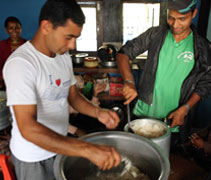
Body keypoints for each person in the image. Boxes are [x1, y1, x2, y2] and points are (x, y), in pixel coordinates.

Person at [3, 0, 121, 180]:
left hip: (61, 146)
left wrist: (98, 113)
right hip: (34, 158)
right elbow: (27, 127)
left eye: (76, 38)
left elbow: (73, 96)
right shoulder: (21, 64)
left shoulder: (62, 56)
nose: (73, 45)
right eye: (68, 37)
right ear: (46, 26)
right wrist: (87, 149)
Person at [117, 0, 211, 143]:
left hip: (174, 123)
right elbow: (124, 53)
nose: (175, 24)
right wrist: (129, 81)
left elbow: (206, 83)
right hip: (141, 117)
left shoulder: (202, 47)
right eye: (171, 17)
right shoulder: (155, 34)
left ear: (194, 14)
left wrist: (186, 108)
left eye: (182, 19)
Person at [0, 16, 26, 90]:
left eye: (17, 28)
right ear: (6, 30)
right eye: (11, 28)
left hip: (23, 82)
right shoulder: (2, 45)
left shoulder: (27, 45)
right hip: (5, 83)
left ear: (21, 28)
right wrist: (2, 79)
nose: (14, 31)